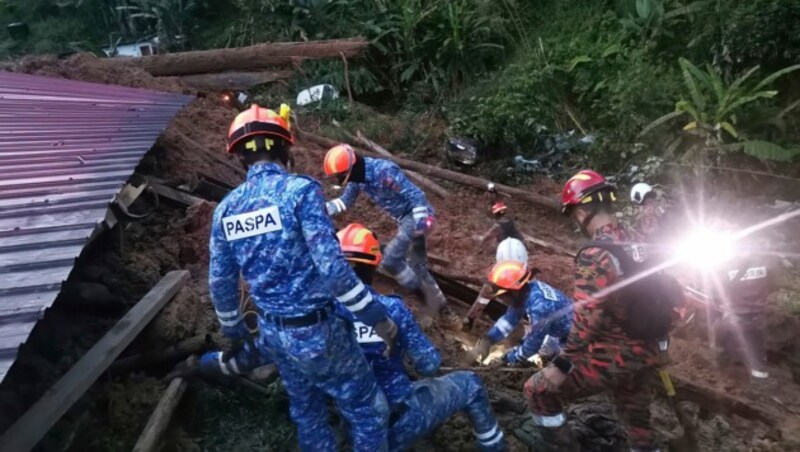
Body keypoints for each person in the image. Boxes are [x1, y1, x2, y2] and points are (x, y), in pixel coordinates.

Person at [208, 105, 398, 452]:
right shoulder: (301, 193)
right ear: (286, 149)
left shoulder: (225, 210)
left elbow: (220, 285)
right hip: (318, 334)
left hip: (273, 334)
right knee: (369, 411)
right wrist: (378, 320)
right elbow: (334, 272)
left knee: (307, 412)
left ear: (239, 159)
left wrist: (236, 336)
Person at [517, 170, 662, 452]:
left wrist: (562, 364)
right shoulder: (639, 242)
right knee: (637, 420)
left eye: (573, 213)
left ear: (583, 210)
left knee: (537, 390)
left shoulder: (594, 254)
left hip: (614, 354)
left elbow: (587, 319)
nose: (575, 220)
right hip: (648, 348)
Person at [336, 223, 507, 451]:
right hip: (395, 423)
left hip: (351, 425)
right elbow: (429, 365)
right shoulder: (391, 309)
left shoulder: (321, 312)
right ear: (375, 264)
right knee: (471, 384)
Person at [322, 144, 449, 317]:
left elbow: (418, 197)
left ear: (351, 168)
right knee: (416, 265)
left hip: (419, 216)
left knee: (391, 259)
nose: (340, 181)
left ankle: (424, 298)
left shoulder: (384, 171)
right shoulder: (357, 180)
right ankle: (439, 304)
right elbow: (345, 202)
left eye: (340, 176)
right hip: (404, 219)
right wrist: (319, 208)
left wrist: (419, 234)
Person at [471, 261, 573, 367]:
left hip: (576, 337)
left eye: (501, 295)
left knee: (558, 368)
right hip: (559, 329)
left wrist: (507, 360)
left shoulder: (540, 307)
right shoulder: (527, 291)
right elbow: (510, 318)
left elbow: (533, 343)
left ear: (514, 291)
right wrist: (489, 339)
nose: (500, 299)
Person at [464, 202, 529, 330]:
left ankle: (470, 319)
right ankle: (526, 326)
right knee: (524, 298)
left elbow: (486, 238)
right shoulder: (511, 223)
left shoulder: (498, 225)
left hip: (507, 262)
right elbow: (522, 239)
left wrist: (477, 240)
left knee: (486, 293)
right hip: (518, 262)